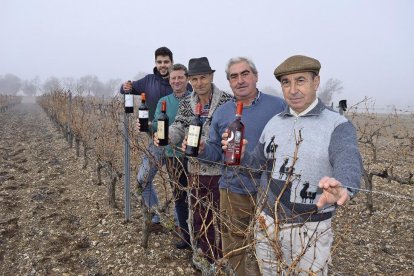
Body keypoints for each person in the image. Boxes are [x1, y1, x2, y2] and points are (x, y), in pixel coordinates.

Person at [222, 55, 362, 275]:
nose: (293, 89)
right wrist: (239, 157)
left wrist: (344, 185)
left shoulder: (337, 125)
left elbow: (349, 159)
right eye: (286, 83)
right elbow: (258, 164)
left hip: (310, 228)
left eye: (300, 81)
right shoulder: (275, 122)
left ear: (316, 82)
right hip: (267, 222)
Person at [186, 57, 285, 275]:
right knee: (234, 248)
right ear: (229, 82)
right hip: (233, 190)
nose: (240, 80)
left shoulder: (278, 106)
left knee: (269, 248)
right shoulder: (223, 112)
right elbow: (215, 154)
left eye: (245, 74)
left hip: (270, 191)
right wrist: (203, 149)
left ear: (256, 76)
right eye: (234, 76)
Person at [155, 57, 233, 262]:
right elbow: (179, 126)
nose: (199, 83)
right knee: (200, 217)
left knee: (223, 219)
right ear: (190, 80)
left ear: (211, 77)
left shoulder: (227, 101)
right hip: (196, 170)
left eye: (203, 78)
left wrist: (206, 144)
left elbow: (231, 134)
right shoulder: (188, 102)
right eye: (195, 79)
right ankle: (208, 258)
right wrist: (166, 137)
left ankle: (226, 259)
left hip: (221, 171)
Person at [120, 46, 173, 229]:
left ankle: (183, 227)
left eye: (166, 62)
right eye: (159, 62)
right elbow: (126, 89)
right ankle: (155, 218)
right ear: (155, 63)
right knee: (143, 180)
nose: (163, 65)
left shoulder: (180, 82)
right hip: (156, 142)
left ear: (171, 63)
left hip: (178, 144)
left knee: (180, 187)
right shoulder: (148, 81)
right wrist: (125, 86)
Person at [149, 64, 191, 249]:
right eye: (173, 78)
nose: (176, 81)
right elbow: (159, 125)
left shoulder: (195, 99)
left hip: (195, 157)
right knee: (179, 196)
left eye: (180, 77)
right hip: (172, 156)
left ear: (186, 78)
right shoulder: (163, 101)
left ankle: (201, 236)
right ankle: (186, 236)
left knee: (197, 197)